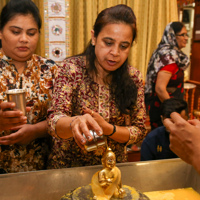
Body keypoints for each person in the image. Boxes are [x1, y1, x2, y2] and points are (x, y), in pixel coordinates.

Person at [47, 4, 147, 169]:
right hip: (68, 169)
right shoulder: (71, 69)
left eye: (124, 46)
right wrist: (75, 123)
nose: (115, 52)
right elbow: (53, 122)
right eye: (108, 43)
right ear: (94, 38)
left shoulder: (133, 78)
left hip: (113, 169)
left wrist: (108, 129)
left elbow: (140, 130)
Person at [0, 0, 57, 173]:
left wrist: (35, 130)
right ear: (1, 32)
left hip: (42, 170)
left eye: (31, 33)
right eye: (15, 32)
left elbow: (64, 116)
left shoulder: (50, 70)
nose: (24, 39)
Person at [144, 22, 190, 130]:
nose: (186, 38)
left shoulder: (172, 54)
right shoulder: (168, 56)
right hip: (165, 111)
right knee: (164, 144)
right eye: (182, 35)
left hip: (168, 108)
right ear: (172, 36)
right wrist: (173, 112)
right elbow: (160, 88)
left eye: (186, 35)